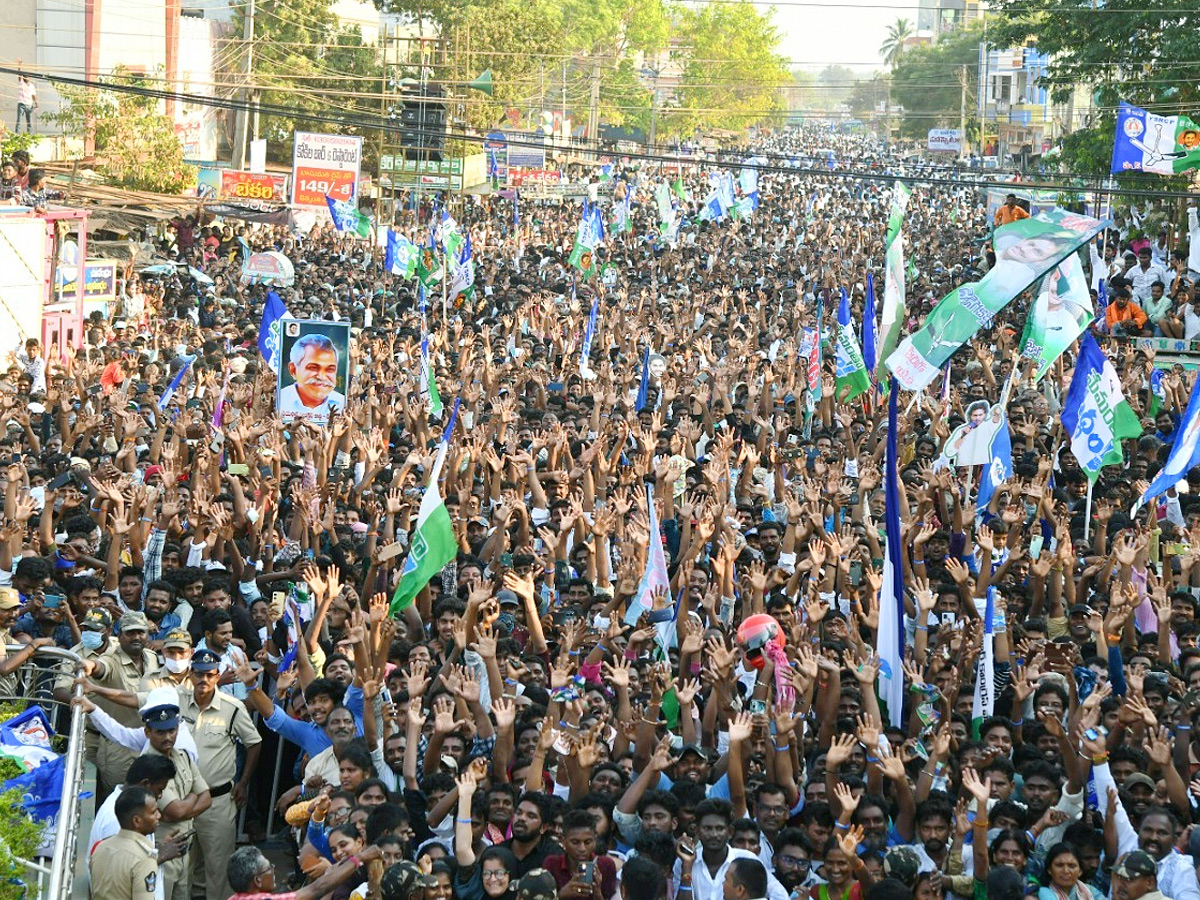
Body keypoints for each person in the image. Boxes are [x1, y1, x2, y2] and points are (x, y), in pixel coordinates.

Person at [89, 786, 165, 900]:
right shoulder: (144, 859)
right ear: (136, 821)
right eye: (153, 812)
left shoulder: (100, 848)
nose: (159, 816)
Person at [278, 332, 345, 422]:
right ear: (293, 370)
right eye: (313, 368)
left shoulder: (342, 404)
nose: (321, 377)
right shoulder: (280, 400)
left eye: (330, 369)